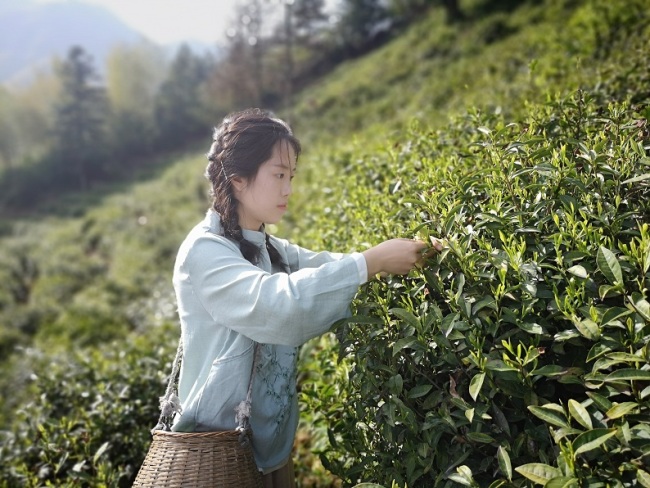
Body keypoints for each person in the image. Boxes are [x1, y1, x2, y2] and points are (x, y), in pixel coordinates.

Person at [171, 108, 441, 487]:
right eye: (279, 175)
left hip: (268, 450)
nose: (288, 189)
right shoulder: (205, 252)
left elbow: (326, 270)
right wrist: (372, 260)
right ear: (238, 180)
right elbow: (281, 307)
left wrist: (408, 254)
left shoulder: (269, 246)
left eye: (291, 176)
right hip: (217, 455)